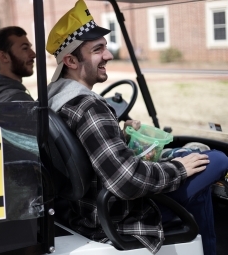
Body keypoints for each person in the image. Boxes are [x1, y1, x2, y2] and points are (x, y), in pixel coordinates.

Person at [45, 1, 228, 255]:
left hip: (82, 211)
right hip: (120, 215)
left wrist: (121, 136)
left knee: (194, 169)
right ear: (71, 60)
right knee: (217, 160)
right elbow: (127, 181)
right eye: (98, 50)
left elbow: (96, 158)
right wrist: (179, 169)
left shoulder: (53, 100)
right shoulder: (90, 108)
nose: (108, 55)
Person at [0, 26, 36, 102]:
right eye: (25, 48)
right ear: (4, 57)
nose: (33, 54)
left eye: (30, 48)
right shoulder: (18, 100)